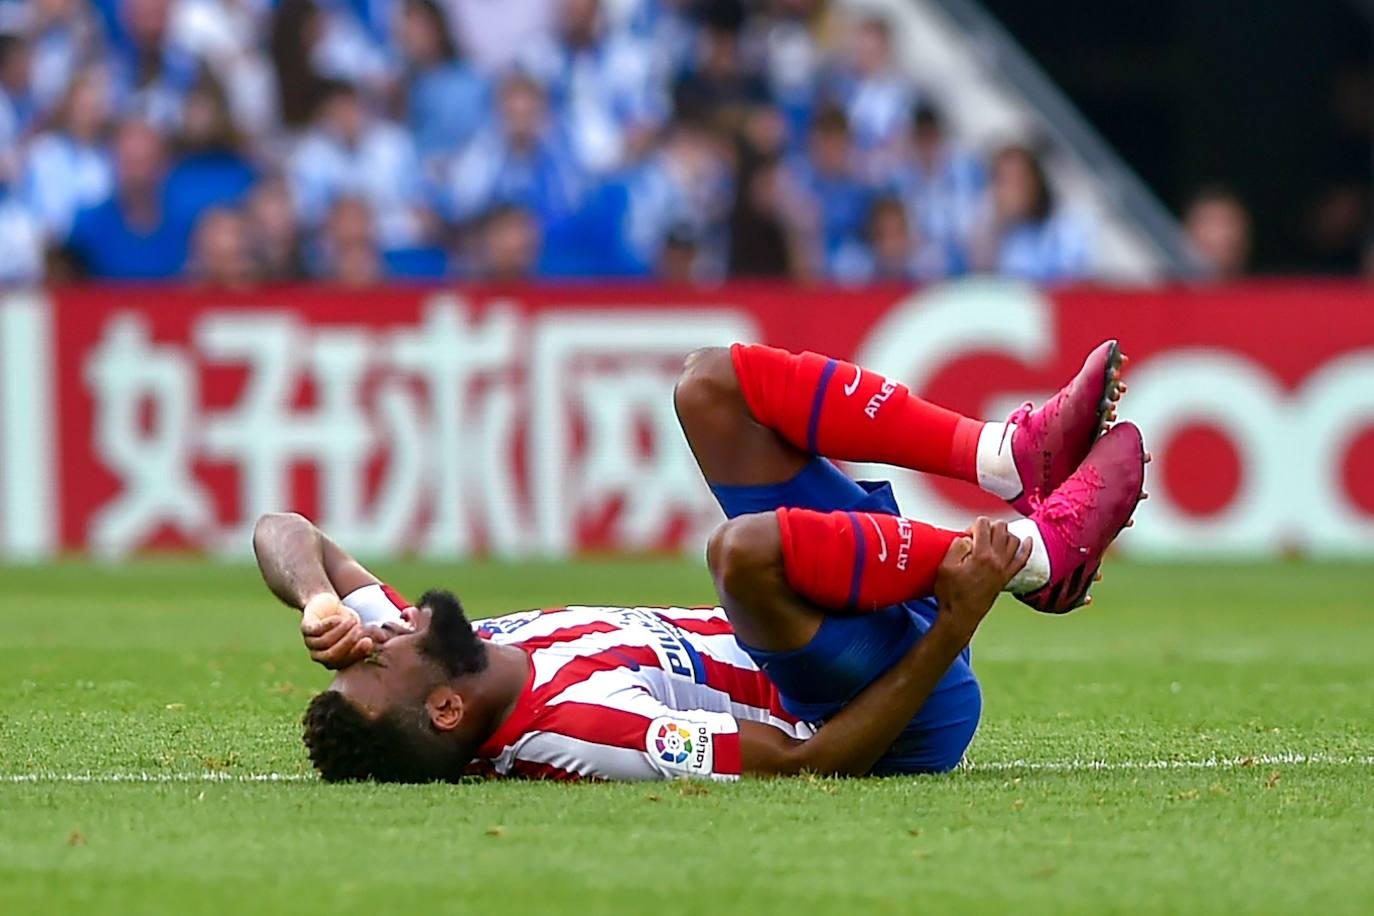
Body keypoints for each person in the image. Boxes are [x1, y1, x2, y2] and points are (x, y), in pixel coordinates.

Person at [256, 339, 1146, 782]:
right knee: (741, 554)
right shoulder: (583, 731)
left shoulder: (449, 649)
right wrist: (955, 622)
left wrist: (313, 599)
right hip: (885, 703)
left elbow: (284, 529)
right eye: (379, 656)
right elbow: (808, 763)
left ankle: (1005, 457)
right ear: (446, 708)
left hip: (854, 591)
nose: (376, 633)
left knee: (711, 385)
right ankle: (1033, 559)